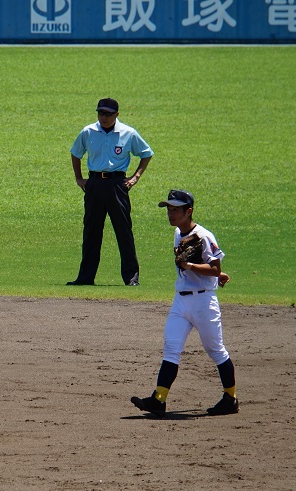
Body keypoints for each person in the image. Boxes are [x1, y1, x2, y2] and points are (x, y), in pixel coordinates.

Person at [131, 190, 237, 417]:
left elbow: (213, 267)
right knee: (171, 349)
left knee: (216, 350)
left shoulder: (204, 236)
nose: (170, 214)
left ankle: (230, 398)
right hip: (181, 301)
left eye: (175, 210)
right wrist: (213, 274)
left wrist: (202, 270)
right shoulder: (179, 232)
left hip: (203, 303)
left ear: (188, 211)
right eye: (169, 209)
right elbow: (207, 269)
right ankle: (159, 400)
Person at [67, 97, 154, 286]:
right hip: (94, 184)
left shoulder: (128, 133)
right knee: (91, 232)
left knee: (123, 231)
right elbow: (75, 153)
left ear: (117, 114)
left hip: (117, 184)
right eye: (101, 113)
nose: (104, 117)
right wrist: (79, 178)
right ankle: (85, 277)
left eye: (108, 114)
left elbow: (146, 153)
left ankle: (131, 277)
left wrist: (135, 177)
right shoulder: (88, 131)